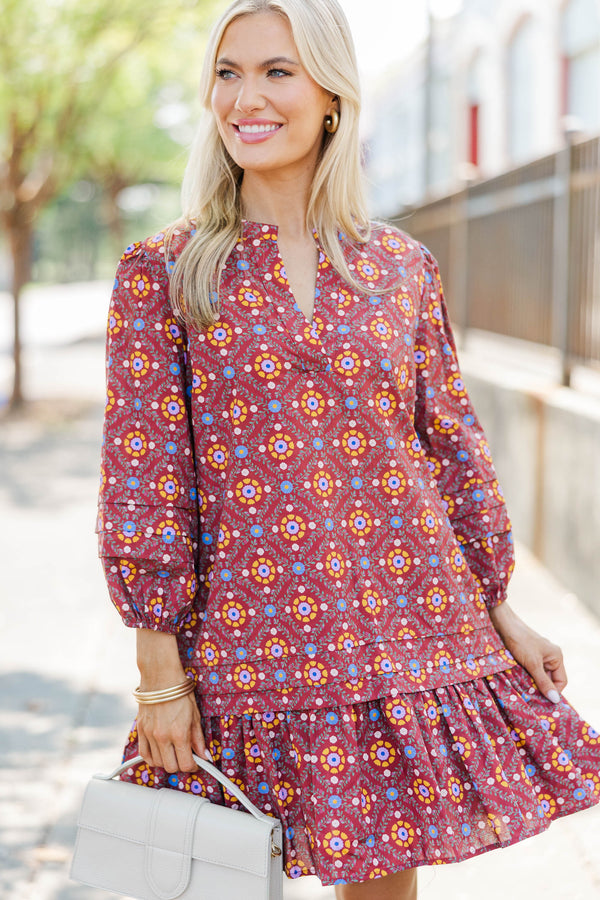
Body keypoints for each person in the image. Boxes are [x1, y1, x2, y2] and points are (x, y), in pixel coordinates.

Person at [95, 0, 600, 897]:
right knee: (215, 879)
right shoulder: (165, 271)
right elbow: (145, 478)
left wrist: (499, 609)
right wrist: (157, 670)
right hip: (248, 644)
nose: (245, 98)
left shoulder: (401, 267)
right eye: (227, 73)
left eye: (276, 71)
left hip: (406, 631)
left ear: (332, 96)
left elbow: (449, 453)